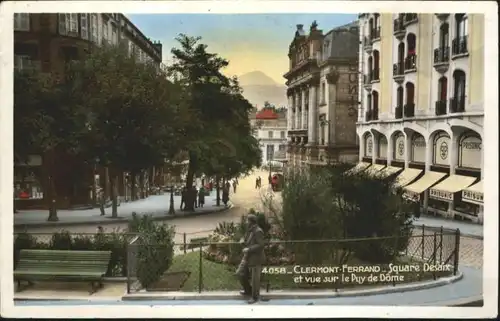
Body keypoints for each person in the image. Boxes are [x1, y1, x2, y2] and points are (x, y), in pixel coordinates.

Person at [235, 214, 265, 304]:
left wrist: (249, 249)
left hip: (256, 258)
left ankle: (255, 297)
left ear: (251, 222)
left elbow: (261, 245)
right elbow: (247, 240)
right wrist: (242, 241)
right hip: (247, 257)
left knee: (254, 279)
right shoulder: (249, 230)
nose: (245, 222)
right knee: (240, 273)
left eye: (247, 221)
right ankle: (248, 290)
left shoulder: (258, 231)